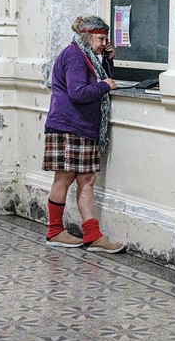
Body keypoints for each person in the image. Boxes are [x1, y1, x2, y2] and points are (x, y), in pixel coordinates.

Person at [42, 15, 125, 253]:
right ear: (87, 36)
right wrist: (104, 86)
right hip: (68, 126)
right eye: (100, 38)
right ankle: (55, 231)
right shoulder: (74, 56)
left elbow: (104, 79)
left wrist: (108, 60)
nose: (104, 42)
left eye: (105, 38)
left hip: (82, 127)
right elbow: (79, 92)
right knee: (64, 178)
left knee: (86, 180)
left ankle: (92, 235)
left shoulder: (89, 57)